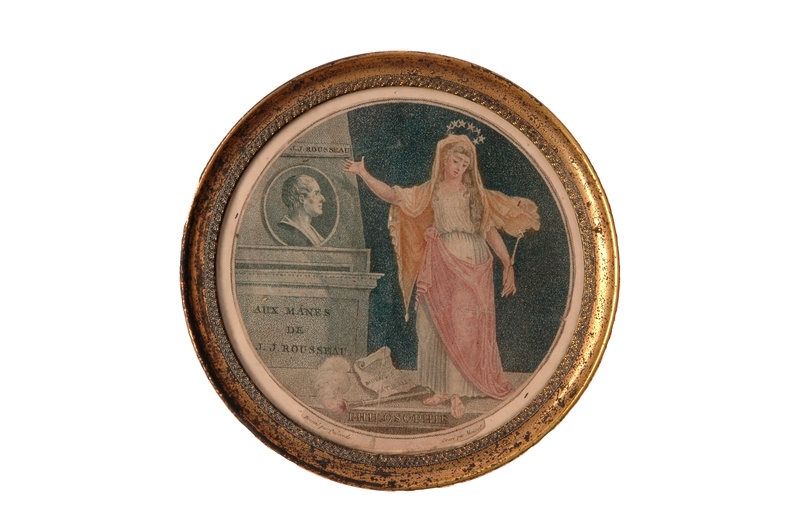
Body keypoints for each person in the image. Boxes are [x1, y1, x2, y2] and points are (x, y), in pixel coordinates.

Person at [344, 133, 540, 418]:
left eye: (464, 164)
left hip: (470, 259)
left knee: (462, 325)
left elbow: (488, 230)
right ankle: (441, 387)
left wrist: (506, 263)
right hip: (438, 260)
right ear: (444, 159)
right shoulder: (431, 191)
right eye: (455, 161)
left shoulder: (473, 195)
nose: (459, 168)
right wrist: (363, 173)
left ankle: (458, 392)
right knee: (430, 324)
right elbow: (394, 196)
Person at [275, 174, 326, 247]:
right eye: (316, 193)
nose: (323, 199)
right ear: (302, 199)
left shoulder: (311, 230)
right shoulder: (284, 230)